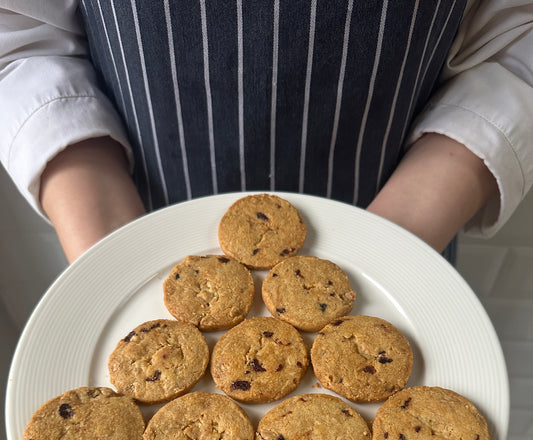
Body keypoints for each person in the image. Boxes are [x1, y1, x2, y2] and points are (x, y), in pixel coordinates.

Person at [0, 1, 532, 265]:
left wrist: (390, 255)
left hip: (407, 228)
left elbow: (516, 43)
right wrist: (114, 261)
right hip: (138, 209)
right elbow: (23, 37)